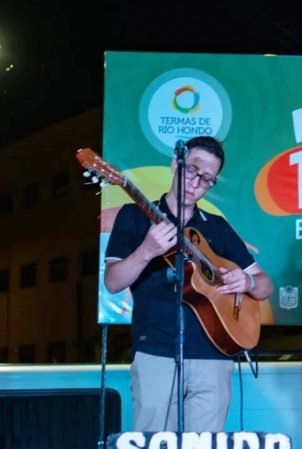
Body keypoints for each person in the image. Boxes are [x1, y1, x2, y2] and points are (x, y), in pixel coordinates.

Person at [104, 136, 273, 432]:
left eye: (207, 179)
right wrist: (146, 251)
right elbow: (113, 282)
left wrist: (245, 280)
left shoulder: (216, 225)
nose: (196, 182)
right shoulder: (133, 217)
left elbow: (264, 286)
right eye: (192, 170)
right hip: (156, 350)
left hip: (214, 355)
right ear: (174, 165)